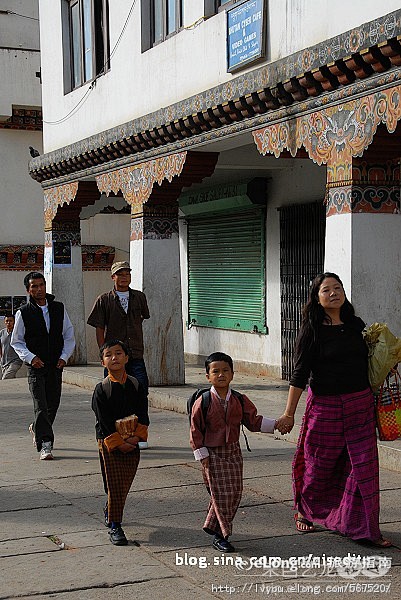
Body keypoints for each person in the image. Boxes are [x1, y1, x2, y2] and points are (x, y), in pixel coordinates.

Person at [276, 272, 392, 548]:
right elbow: (300, 374)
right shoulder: (311, 329)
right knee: (320, 463)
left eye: (337, 288)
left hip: (359, 404)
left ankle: (362, 527)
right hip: (325, 406)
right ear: (317, 298)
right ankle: (305, 509)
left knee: (362, 467)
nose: (333, 293)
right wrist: (289, 413)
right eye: (326, 290)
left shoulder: (356, 325)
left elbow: (369, 361)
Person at [190, 351, 277, 553]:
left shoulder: (240, 399)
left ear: (232, 374)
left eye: (225, 370)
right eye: (216, 371)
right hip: (212, 454)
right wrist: (202, 455)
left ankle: (213, 526)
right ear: (208, 376)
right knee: (221, 494)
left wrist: (277, 424)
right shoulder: (202, 401)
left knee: (234, 493)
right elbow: (195, 430)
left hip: (234, 452)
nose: (221, 375)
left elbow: (254, 421)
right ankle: (222, 535)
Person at [11, 272, 75, 460]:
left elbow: (69, 335)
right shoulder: (23, 313)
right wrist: (31, 358)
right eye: (34, 287)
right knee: (41, 404)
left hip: (55, 364)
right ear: (28, 290)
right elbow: (17, 341)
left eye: (41, 285)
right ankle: (45, 444)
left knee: (52, 404)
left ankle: (36, 427)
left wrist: (64, 357)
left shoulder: (58, 309)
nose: (39, 289)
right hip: (36, 367)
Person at [91, 340, 149, 546]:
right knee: (114, 484)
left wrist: (136, 437)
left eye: (118, 353)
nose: (114, 358)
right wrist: (118, 443)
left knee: (124, 482)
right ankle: (116, 525)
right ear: (102, 362)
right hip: (109, 443)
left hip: (133, 440)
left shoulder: (136, 384)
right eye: (108, 355)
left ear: (126, 357)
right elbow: (103, 421)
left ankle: (110, 507)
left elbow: (143, 413)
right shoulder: (102, 389)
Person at [87, 261, 150, 449]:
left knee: (140, 390)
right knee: (112, 395)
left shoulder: (139, 297)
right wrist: (104, 352)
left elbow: (142, 320)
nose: (124, 277)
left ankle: (139, 433)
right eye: (120, 274)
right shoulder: (104, 299)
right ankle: (113, 434)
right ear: (113, 277)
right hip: (114, 358)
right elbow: (99, 327)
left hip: (135, 353)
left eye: (127, 274)